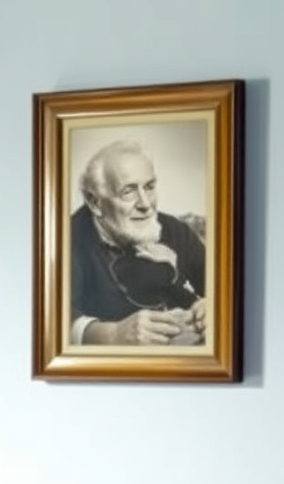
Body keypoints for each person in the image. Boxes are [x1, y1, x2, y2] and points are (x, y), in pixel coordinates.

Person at [70, 139, 207, 346]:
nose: (145, 204)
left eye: (150, 187)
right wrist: (112, 335)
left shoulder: (175, 230)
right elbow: (48, 317)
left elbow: (223, 284)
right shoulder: (65, 240)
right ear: (95, 202)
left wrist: (216, 304)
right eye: (128, 191)